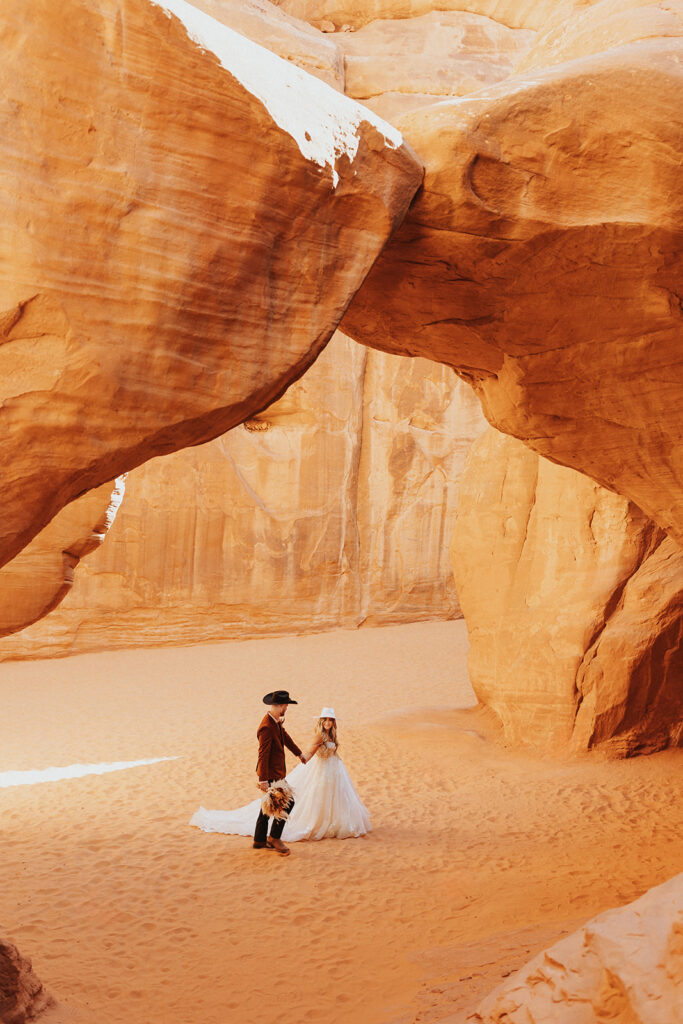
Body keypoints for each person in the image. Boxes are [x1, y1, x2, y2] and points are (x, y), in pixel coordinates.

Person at [190, 705, 371, 848]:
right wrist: (264, 777)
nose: (328, 723)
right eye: (326, 720)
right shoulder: (267, 727)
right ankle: (272, 838)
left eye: (331, 720)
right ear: (280, 706)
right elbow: (264, 754)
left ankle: (261, 840)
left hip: (322, 770)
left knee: (272, 805)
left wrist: (297, 753)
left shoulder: (276, 722)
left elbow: (286, 737)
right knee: (284, 803)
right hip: (275, 773)